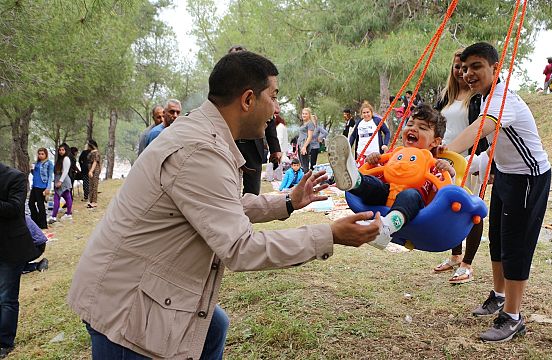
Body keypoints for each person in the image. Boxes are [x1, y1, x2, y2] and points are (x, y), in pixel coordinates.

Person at [67, 50, 382, 360]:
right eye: (273, 97)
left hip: (134, 281)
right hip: (123, 304)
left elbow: (219, 204)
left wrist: (288, 201)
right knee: (210, 327)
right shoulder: (201, 150)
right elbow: (241, 248)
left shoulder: (204, 134)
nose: (276, 110)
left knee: (213, 327)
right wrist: (330, 236)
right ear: (247, 100)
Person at [446, 42, 552, 343]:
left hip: (529, 179)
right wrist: (458, 163)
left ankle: (514, 317)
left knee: (516, 246)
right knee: (498, 240)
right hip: (505, 174)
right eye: (465, 69)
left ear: (495, 68)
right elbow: (492, 148)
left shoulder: (502, 97)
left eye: (477, 66)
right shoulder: (485, 98)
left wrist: (446, 150)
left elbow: (482, 129)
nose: (468, 74)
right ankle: (498, 294)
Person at [329, 104, 455, 249]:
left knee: (410, 194)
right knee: (376, 186)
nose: (413, 128)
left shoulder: (434, 164)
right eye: (410, 124)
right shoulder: (395, 155)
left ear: (435, 142)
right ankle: (353, 180)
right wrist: (374, 161)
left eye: (422, 128)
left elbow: (446, 190)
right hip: (387, 195)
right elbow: (381, 176)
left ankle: (385, 228)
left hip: (416, 208)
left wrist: (449, 171)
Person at [432, 48, 491, 284]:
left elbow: (483, 130)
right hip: (445, 163)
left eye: (466, 67)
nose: (461, 72)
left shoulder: (478, 97)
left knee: (472, 211)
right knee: (450, 208)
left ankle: (467, 264)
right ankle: (455, 256)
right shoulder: (446, 97)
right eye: (457, 66)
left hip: (470, 162)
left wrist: (489, 166)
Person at [228, 44, 283, 195]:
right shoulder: (223, 91)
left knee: (252, 192)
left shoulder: (260, 87)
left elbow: (269, 116)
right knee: (229, 191)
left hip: (254, 148)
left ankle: (247, 219)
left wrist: (275, 148)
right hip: (230, 146)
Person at [0, 163, 39, 359]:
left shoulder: (15, 177)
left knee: (6, 297)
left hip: (10, 247)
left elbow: (15, 208)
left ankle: (4, 342)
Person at [28, 148, 54, 229]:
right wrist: (31, 170)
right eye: (39, 154)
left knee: (40, 205)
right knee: (30, 203)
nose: (40, 155)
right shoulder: (37, 163)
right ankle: (35, 222)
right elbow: (35, 174)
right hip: (35, 186)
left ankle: (43, 224)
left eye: (42, 154)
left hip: (42, 187)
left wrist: (48, 188)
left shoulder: (49, 163)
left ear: (46, 154)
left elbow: (50, 176)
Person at [48, 143, 73, 223]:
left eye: (63, 150)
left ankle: (66, 214)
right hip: (58, 180)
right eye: (60, 150)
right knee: (59, 198)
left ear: (66, 150)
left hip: (63, 181)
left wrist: (60, 181)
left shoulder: (66, 158)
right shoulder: (60, 159)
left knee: (66, 197)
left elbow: (65, 171)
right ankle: (56, 216)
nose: (61, 151)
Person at [265, 115, 289, 182]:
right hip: (280, 149)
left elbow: (280, 138)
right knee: (277, 164)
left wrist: (277, 150)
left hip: (279, 149)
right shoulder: (281, 126)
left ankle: (271, 177)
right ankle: (276, 177)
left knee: (273, 163)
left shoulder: (280, 127)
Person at [297, 107, 316, 172]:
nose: (304, 115)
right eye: (303, 113)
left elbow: (310, 137)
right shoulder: (304, 123)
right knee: (302, 164)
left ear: (309, 115)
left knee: (305, 164)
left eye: (306, 114)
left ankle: (307, 179)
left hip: (305, 145)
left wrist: (304, 147)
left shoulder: (310, 123)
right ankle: (303, 178)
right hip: (300, 144)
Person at [86, 139, 101, 209]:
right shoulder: (91, 152)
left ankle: (94, 202)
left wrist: (91, 171)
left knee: (94, 185)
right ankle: (90, 200)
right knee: (91, 185)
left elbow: (95, 162)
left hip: (95, 170)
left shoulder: (96, 152)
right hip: (90, 170)